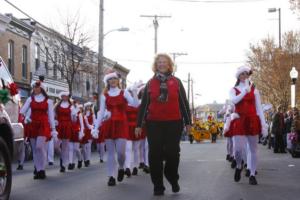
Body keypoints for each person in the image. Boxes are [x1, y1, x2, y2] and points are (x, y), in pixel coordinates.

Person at [135, 53, 192, 196]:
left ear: (169, 65)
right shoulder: (150, 83)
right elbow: (144, 105)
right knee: (155, 154)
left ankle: (172, 177)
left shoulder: (177, 82)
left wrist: (188, 122)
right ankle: (158, 186)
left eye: (164, 62)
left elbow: (183, 103)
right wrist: (138, 124)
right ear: (156, 65)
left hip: (174, 122)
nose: (161, 64)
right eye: (159, 62)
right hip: (153, 123)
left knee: (173, 153)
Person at [92, 70, 139, 186]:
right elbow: (101, 112)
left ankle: (121, 167)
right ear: (107, 82)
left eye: (114, 79)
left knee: (121, 153)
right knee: (111, 153)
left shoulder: (124, 93)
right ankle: (111, 176)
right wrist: (96, 128)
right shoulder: (104, 96)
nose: (112, 81)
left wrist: (134, 92)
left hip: (122, 124)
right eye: (110, 79)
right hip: (109, 124)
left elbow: (135, 104)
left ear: (118, 81)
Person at [230, 66, 267, 185]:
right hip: (240, 120)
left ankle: (252, 173)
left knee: (253, 149)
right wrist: (244, 91)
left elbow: (259, 108)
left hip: (252, 120)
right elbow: (234, 101)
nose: (244, 76)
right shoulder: (233, 89)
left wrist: (263, 124)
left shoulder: (255, 90)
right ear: (238, 76)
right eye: (242, 74)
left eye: (246, 74)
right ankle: (239, 165)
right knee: (238, 150)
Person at [20, 80, 57, 179]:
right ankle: (38, 169)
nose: (35, 89)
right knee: (35, 150)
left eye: (37, 87)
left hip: (43, 125)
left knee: (40, 147)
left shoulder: (48, 101)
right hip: (33, 125)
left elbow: (51, 116)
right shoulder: (30, 99)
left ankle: (42, 169)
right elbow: (22, 111)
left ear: (41, 88)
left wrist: (53, 129)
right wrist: (27, 118)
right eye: (34, 87)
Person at [54, 91, 73, 172]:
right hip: (59, 126)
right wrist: (55, 121)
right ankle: (64, 158)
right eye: (63, 96)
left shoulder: (71, 106)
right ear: (61, 97)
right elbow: (53, 115)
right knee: (56, 146)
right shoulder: (57, 106)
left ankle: (62, 164)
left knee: (65, 147)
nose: (64, 97)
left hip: (67, 126)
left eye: (66, 96)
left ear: (68, 97)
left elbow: (74, 118)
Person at [69, 101, 84, 169]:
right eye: (72, 104)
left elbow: (82, 124)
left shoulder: (79, 113)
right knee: (70, 148)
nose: (73, 105)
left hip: (76, 131)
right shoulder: (69, 112)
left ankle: (80, 159)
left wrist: (81, 132)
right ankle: (71, 163)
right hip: (70, 131)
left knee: (76, 149)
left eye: (74, 104)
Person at [82, 102, 95, 167]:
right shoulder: (83, 114)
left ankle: (88, 159)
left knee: (88, 147)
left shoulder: (92, 115)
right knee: (84, 147)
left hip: (90, 131)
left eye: (89, 106)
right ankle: (85, 159)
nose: (88, 107)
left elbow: (94, 123)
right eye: (87, 106)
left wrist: (91, 128)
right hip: (84, 131)